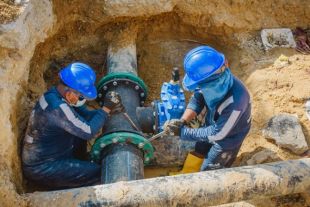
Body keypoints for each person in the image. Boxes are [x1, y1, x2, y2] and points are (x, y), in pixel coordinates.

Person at [22, 62, 124, 189]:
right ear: (69, 93)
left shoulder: (55, 94)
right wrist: (106, 110)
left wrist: (106, 111)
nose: (82, 100)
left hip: (54, 151)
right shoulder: (58, 108)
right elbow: (88, 131)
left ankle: (81, 162)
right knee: (100, 171)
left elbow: (86, 116)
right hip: (43, 167)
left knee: (78, 130)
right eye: (81, 96)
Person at [165, 46, 251, 174]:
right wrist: (182, 121)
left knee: (209, 170)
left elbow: (218, 134)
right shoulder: (212, 84)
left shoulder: (237, 101)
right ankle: (187, 174)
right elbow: (197, 99)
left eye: (201, 85)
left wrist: (183, 133)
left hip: (228, 139)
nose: (199, 88)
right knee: (199, 148)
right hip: (213, 123)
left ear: (210, 82)